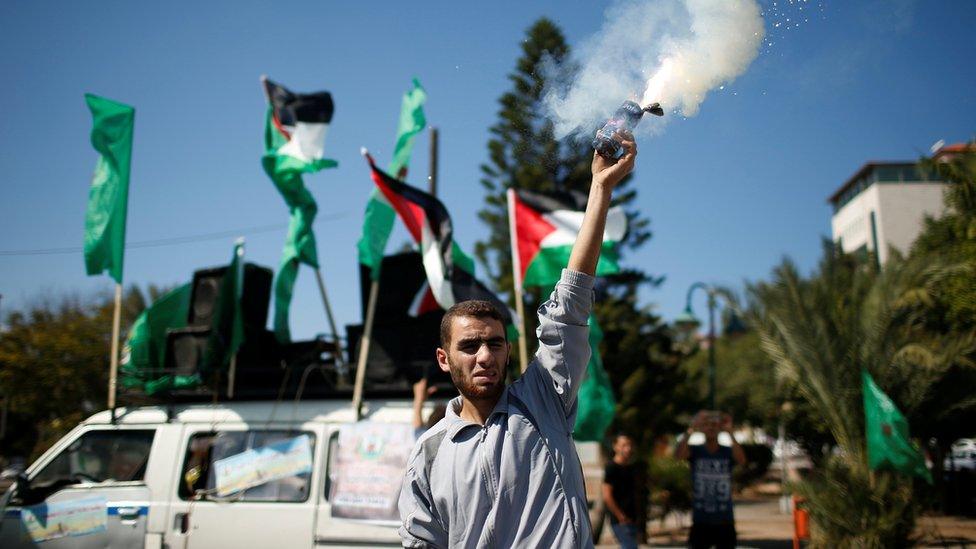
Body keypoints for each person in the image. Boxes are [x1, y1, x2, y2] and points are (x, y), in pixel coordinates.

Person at [397, 130, 638, 548]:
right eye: (469, 346)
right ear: (443, 358)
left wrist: (600, 189)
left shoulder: (544, 398)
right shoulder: (430, 452)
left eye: (494, 343)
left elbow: (571, 302)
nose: (484, 356)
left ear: (509, 349)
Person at [675, 410, 747, 549]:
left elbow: (742, 460)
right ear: (701, 428)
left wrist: (730, 433)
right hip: (701, 518)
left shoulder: (727, 451)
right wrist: (691, 430)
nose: (711, 428)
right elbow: (679, 456)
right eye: (707, 425)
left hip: (724, 518)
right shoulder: (696, 451)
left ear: (720, 428)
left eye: (714, 425)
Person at [602, 433, 645, 549]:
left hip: (633, 518)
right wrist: (620, 516)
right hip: (621, 520)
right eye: (624, 445)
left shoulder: (632, 468)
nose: (628, 448)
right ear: (615, 446)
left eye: (629, 445)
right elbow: (607, 495)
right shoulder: (611, 467)